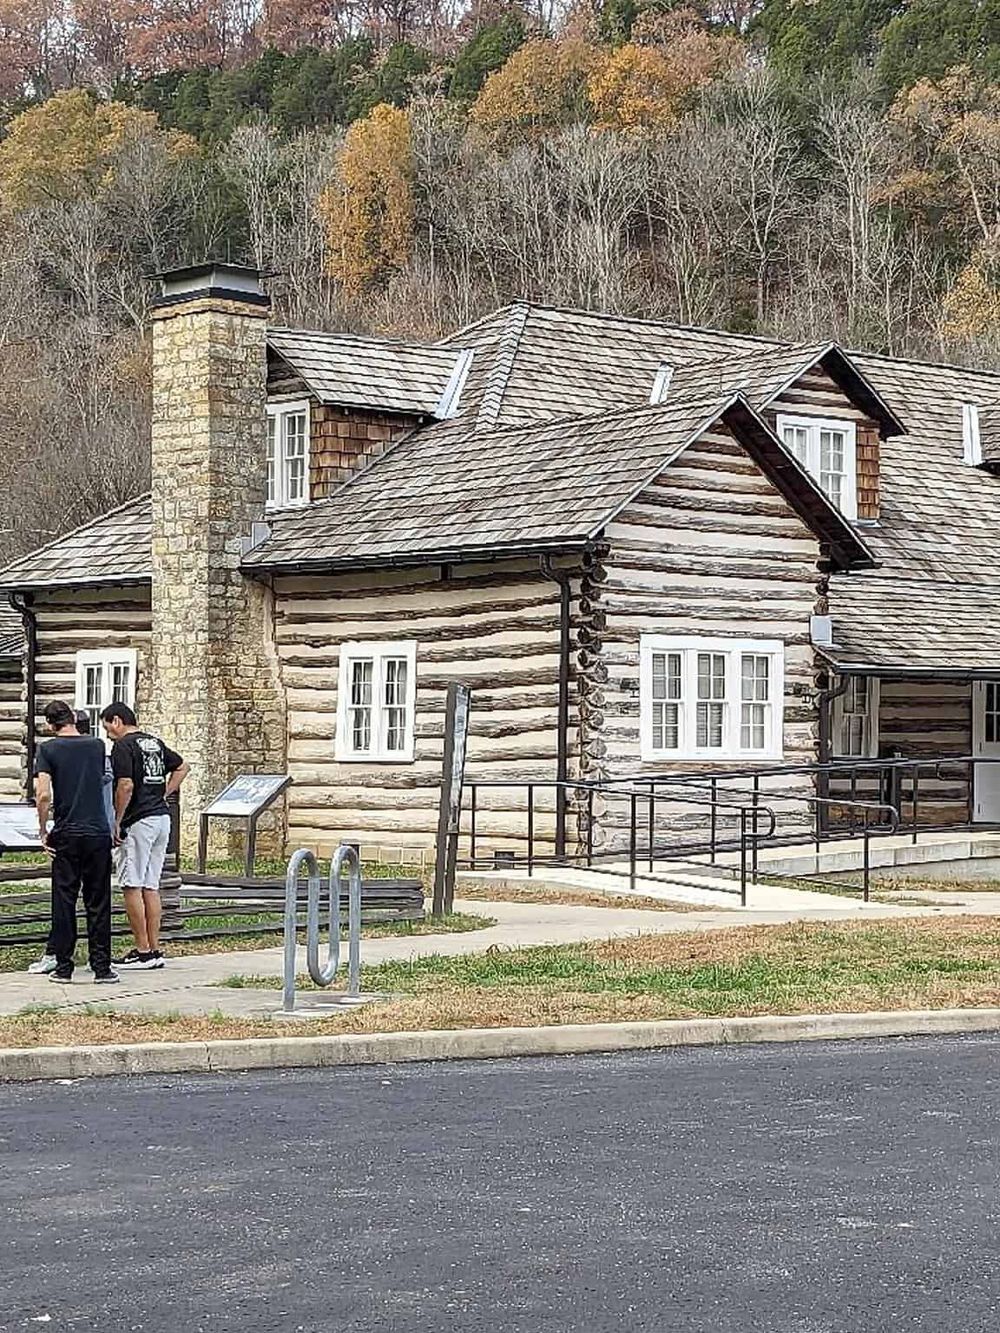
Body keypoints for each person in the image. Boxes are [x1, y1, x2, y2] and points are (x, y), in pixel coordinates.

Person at [34, 700, 118, 984]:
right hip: (97, 830)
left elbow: (43, 794)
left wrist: (43, 827)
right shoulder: (96, 745)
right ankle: (102, 966)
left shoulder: (47, 750)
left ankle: (63, 966)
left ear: (49, 724)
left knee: (64, 900)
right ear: (72, 718)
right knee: (99, 900)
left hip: (68, 831)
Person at [101, 702, 189, 971]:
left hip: (139, 820)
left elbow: (125, 785)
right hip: (162, 817)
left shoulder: (123, 746)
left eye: (108, 728)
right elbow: (183, 767)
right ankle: (154, 948)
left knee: (132, 884)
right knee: (151, 885)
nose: (108, 735)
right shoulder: (154, 742)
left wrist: (117, 820)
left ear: (117, 721)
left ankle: (142, 950)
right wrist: (165, 793)